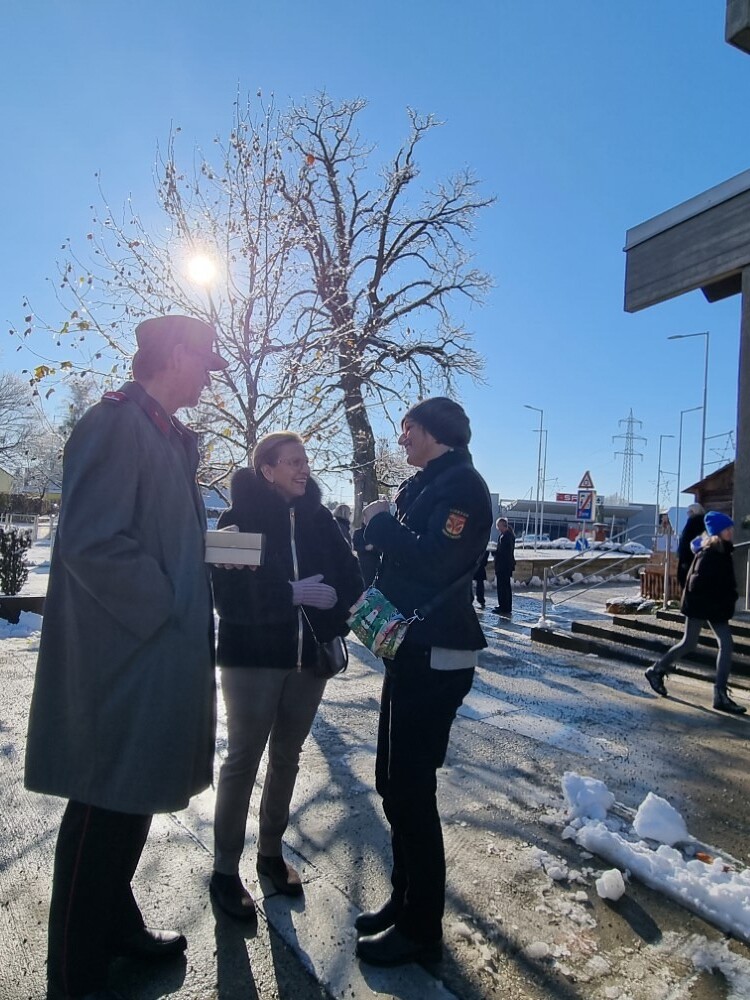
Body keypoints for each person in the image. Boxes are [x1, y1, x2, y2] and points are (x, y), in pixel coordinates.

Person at [24, 315, 226, 1000]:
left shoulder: (164, 434)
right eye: (204, 364)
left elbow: (157, 535)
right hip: (122, 663)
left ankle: (115, 929)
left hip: (150, 659)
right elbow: (92, 543)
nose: (208, 380)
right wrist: (167, 604)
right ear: (174, 355)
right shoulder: (116, 424)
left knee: (129, 801)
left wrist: (210, 562)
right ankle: (73, 976)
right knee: (103, 808)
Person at [355, 397, 492, 967]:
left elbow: (436, 560)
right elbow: (394, 562)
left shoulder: (463, 486)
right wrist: (371, 534)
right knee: (392, 781)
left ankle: (421, 925)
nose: (401, 438)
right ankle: (404, 896)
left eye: (406, 427)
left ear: (432, 429)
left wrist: (381, 524)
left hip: (440, 653)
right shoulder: (426, 483)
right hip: (409, 649)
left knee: (411, 787)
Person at [209, 432, 363, 918]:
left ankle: (270, 853)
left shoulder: (321, 520)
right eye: (293, 461)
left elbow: (351, 579)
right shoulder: (235, 521)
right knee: (242, 761)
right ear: (267, 469)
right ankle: (224, 870)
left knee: (287, 758)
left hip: (309, 663)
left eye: (305, 461)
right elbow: (228, 600)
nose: (303, 469)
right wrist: (290, 594)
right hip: (251, 660)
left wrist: (334, 614)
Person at [645, 511, 746, 715]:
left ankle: (719, 694)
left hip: (712, 607)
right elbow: (697, 584)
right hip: (701, 606)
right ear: (717, 532)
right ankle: (656, 670)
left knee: (724, 644)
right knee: (691, 643)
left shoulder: (722, 550)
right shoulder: (710, 553)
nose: (731, 531)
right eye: (727, 529)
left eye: (731, 528)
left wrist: (726, 597)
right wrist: (722, 599)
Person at [677, 502, 705, 588]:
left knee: (686, 579)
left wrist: (682, 555)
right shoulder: (702, 522)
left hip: (688, 557)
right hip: (694, 556)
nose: (688, 514)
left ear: (694, 512)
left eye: (689, 511)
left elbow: (686, 540)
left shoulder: (693, 522)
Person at [492, 517, 516, 615]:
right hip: (506, 565)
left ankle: (503, 607)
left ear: (502, 525)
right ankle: (506, 606)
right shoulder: (507, 535)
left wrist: (494, 552)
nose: (497, 528)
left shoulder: (506, 536)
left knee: (502, 587)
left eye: (498, 526)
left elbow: (504, 552)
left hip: (503, 566)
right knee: (505, 587)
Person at [352, 523, 381, 588]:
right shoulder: (358, 533)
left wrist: (373, 548)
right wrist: (365, 548)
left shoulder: (376, 533)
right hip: (362, 564)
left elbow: (380, 549)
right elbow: (355, 546)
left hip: (374, 564)